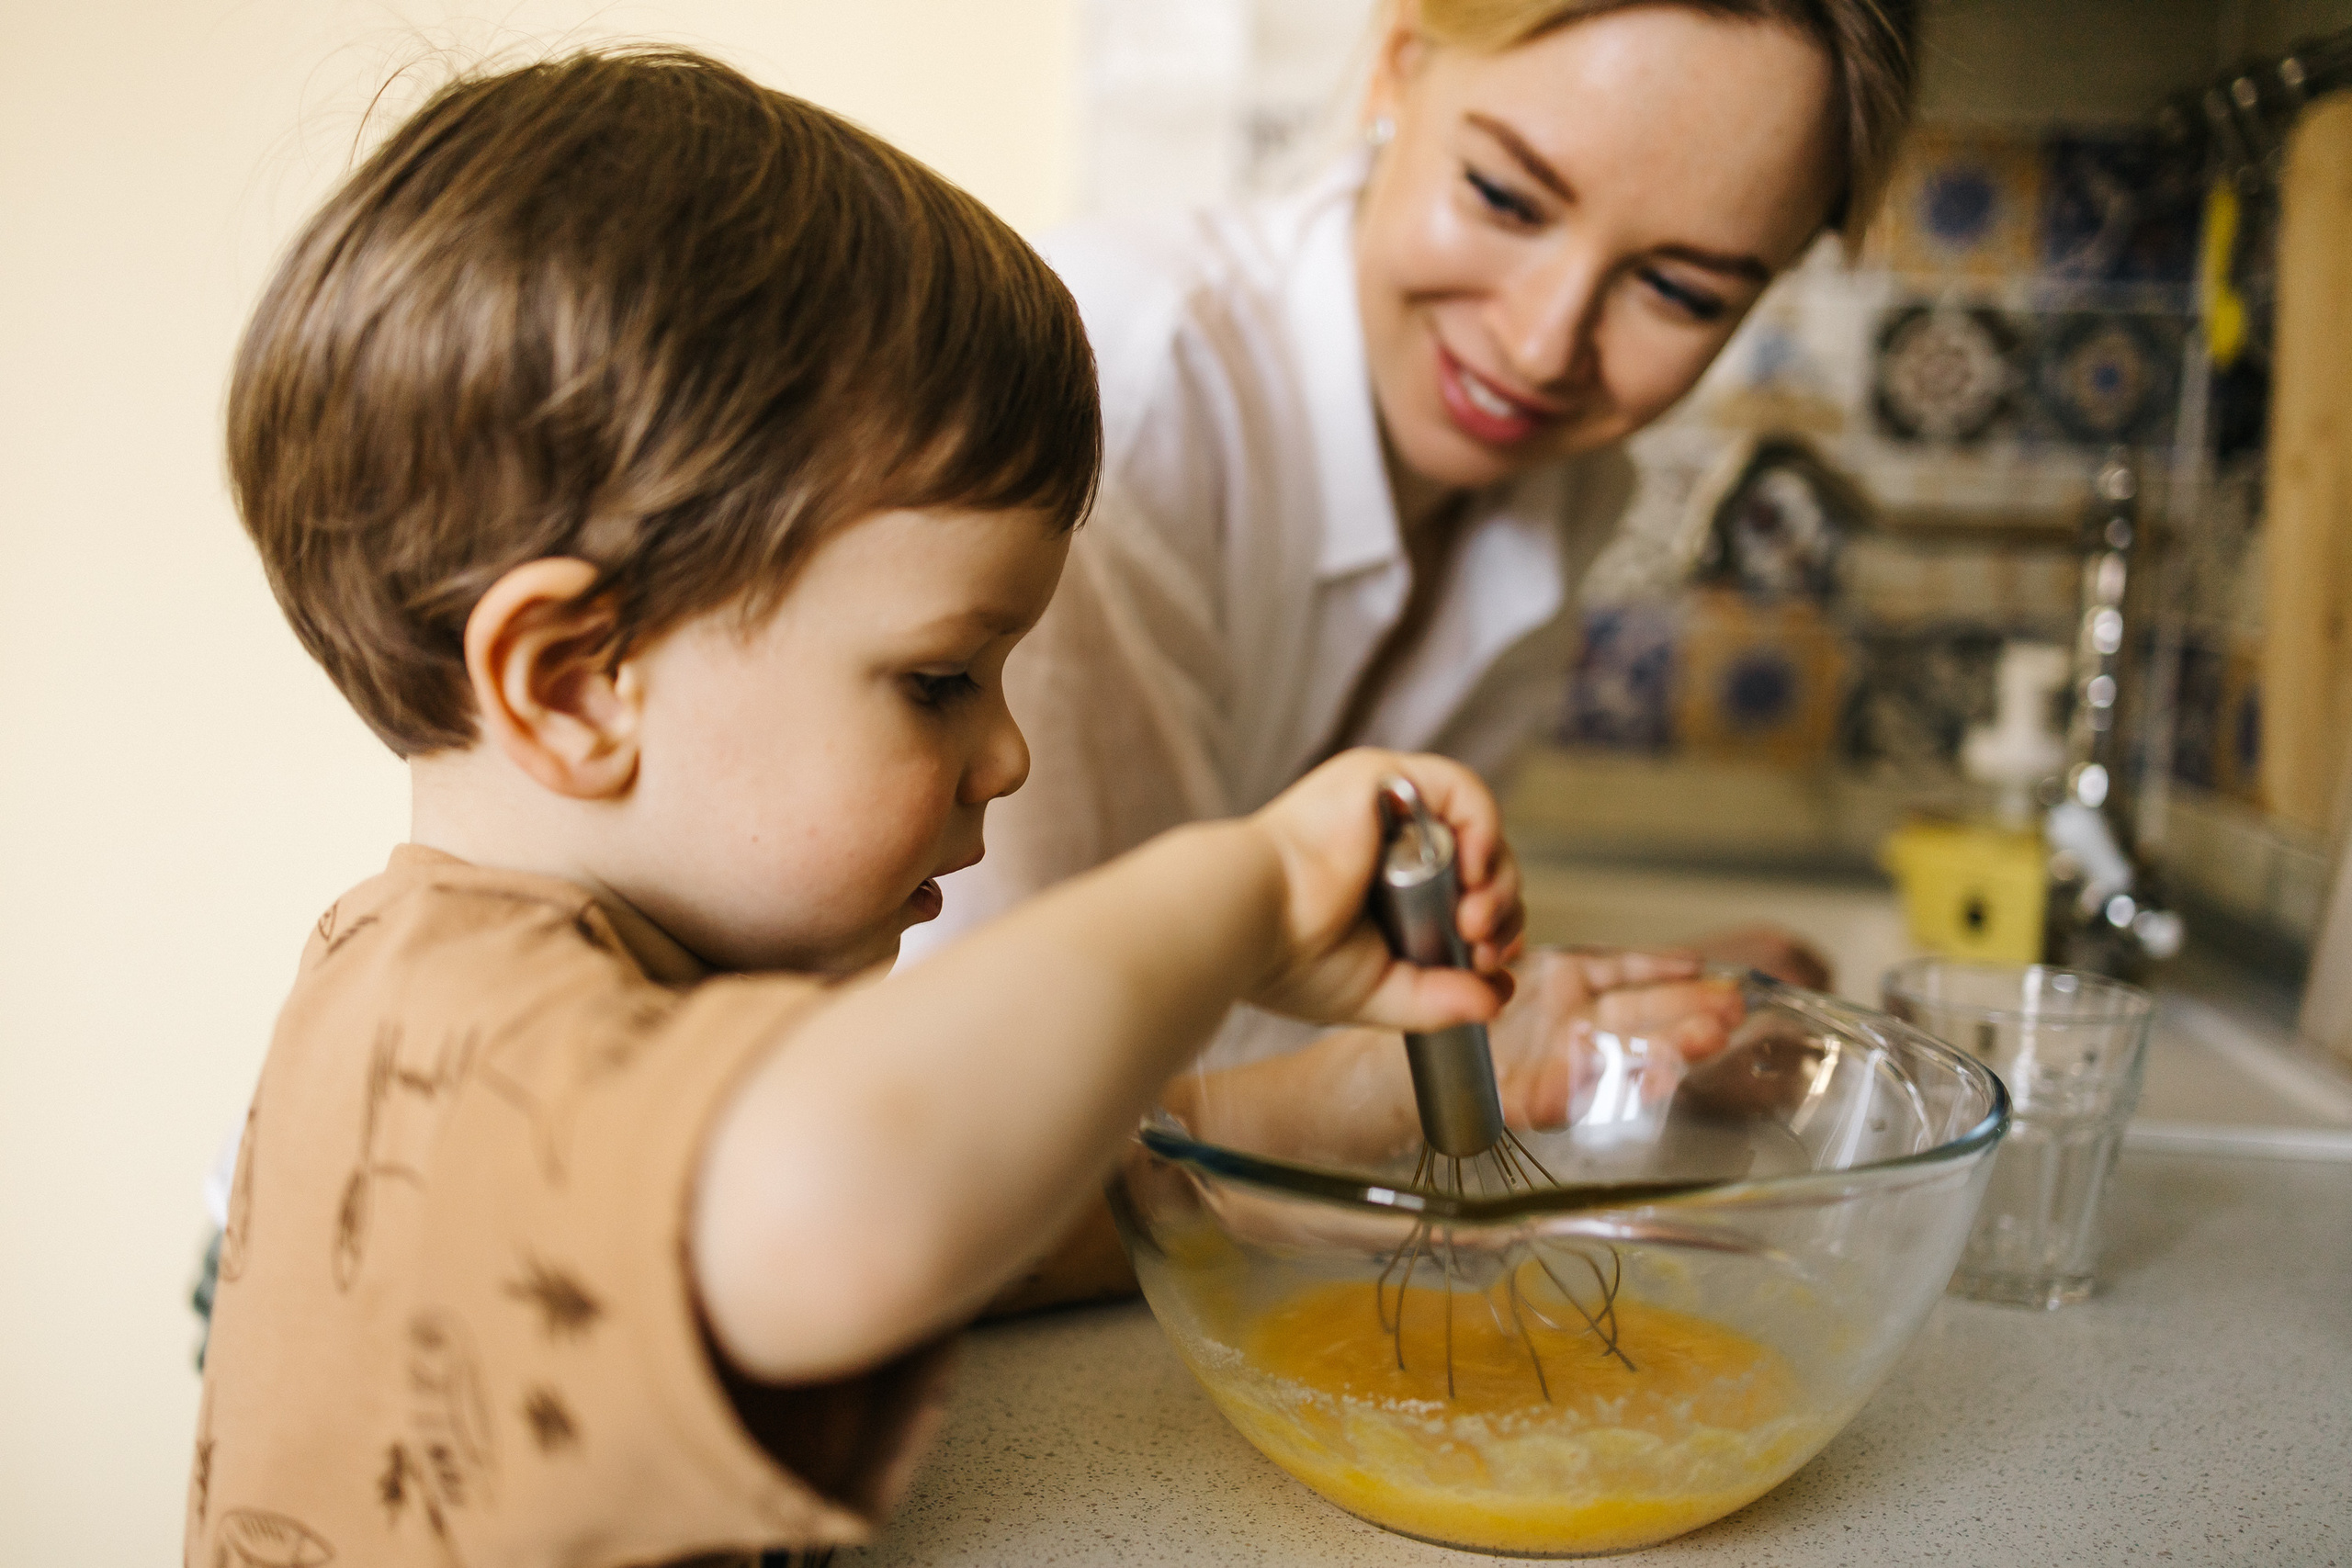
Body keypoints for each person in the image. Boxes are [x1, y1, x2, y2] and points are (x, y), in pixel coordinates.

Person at [188, 50, 1529, 1567]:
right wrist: (1248, 891)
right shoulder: (463, 1037)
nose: (1007, 755)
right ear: (573, 684)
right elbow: (857, 1210)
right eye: (940, 679)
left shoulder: (597, 992)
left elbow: (993, 1231)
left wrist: (1367, 1097)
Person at [908, 0, 1921, 1308]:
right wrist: (1524, 1050)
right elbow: (1020, 1073)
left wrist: (1611, 1026)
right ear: (1398, 66)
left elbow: (1367, 964)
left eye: (1679, 290)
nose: (1545, 341)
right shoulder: (1131, 391)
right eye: (1505, 195)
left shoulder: (1566, 494)